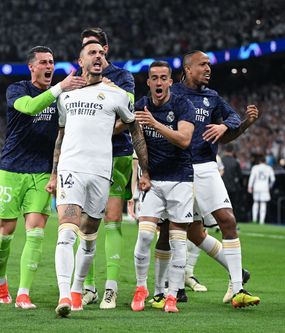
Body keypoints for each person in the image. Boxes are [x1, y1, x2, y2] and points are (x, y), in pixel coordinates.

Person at [45, 40, 148, 317]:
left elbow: (134, 128)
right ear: (81, 61)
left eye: (102, 53)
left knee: (89, 236)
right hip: (71, 170)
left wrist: (144, 169)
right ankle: (65, 295)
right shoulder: (65, 95)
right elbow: (61, 135)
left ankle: (78, 290)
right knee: (66, 232)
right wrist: (54, 173)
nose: (98, 56)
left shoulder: (117, 95)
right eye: (92, 53)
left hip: (101, 172)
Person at [0, 46, 86, 309]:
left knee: (35, 232)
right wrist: (60, 88)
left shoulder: (61, 97)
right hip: (11, 170)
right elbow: (31, 108)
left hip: (42, 172)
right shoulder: (17, 90)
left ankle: (23, 293)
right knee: (5, 232)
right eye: (43, 62)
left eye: (52, 62)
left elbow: (63, 133)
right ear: (31, 66)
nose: (49, 66)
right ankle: (1, 281)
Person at [171, 50, 260, 307]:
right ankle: (170, 288)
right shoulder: (174, 94)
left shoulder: (212, 97)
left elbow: (229, 124)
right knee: (188, 231)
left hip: (206, 167)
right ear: (188, 69)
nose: (208, 68)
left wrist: (238, 125)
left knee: (227, 220)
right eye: (203, 64)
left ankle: (237, 287)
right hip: (178, 169)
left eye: (209, 64)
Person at [77, 27, 136, 309]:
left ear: (106, 49)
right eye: (87, 47)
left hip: (117, 154)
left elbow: (129, 116)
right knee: (82, 223)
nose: (94, 52)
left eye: (97, 47)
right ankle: (87, 286)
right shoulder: (78, 81)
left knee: (112, 218)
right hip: (83, 158)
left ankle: (111, 288)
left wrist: (100, 132)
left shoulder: (123, 77)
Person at [130, 61, 195, 313]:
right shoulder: (140, 106)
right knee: (146, 234)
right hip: (153, 180)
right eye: (154, 78)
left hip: (180, 178)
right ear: (148, 82)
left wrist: (156, 124)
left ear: (170, 81)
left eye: (163, 78)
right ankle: (141, 288)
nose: (158, 82)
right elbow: (138, 139)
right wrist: (144, 172)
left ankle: (171, 296)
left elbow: (185, 140)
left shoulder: (182, 105)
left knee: (178, 241)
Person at [248, 154, 275, 224]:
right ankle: (261, 221)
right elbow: (273, 179)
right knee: (263, 203)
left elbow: (251, 178)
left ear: (259, 161)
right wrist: (270, 186)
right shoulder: (269, 168)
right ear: (265, 161)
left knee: (256, 202)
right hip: (265, 188)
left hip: (256, 187)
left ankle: (254, 219)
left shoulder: (255, 167)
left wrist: (249, 186)